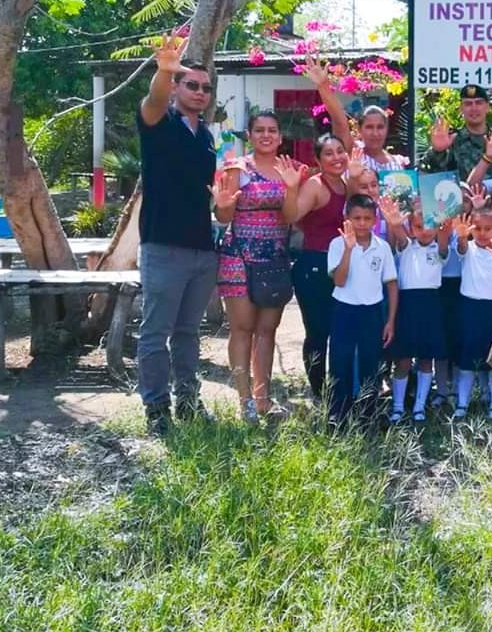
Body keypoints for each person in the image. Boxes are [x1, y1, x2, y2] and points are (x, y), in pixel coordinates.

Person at [135, 32, 220, 436]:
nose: (200, 92)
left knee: (188, 333)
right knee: (156, 332)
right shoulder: (158, 121)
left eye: (206, 87)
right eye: (191, 84)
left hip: (202, 251)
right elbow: (152, 101)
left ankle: (188, 400)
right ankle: (156, 410)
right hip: (162, 246)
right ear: (177, 89)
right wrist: (163, 72)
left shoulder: (206, 138)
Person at [212, 110, 304, 424]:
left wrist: (292, 188)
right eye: (260, 130)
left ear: (280, 137)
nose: (266, 135)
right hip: (239, 255)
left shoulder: (289, 169)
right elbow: (224, 216)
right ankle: (245, 401)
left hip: (275, 258)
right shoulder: (237, 168)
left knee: (267, 330)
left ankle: (263, 399)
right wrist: (222, 207)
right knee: (242, 328)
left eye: (272, 130)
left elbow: (291, 217)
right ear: (249, 135)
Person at [285, 133, 352, 399]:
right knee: (317, 333)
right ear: (318, 159)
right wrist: (291, 188)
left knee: (340, 330)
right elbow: (291, 216)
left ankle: (339, 391)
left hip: (342, 267)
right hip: (313, 265)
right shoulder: (315, 185)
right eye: (329, 153)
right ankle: (320, 394)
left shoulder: (349, 183)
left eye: (340, 151)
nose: (336, 157)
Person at [326, 195, 398, 425]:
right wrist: (348, 250)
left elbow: (392, 284)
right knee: (340, 361)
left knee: (371, 363)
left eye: (367, 218)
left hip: (372, 311)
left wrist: (390, 321)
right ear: (347, 218)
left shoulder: (382, 247)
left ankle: (368, 414)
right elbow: (339, 280)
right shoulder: (337, 244)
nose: (362, 223)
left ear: (375, 220)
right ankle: (338, 414)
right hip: (344, 310)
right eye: (356, 218)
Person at [385, 200, 452, 424]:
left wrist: (445, 221)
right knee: (402, 360)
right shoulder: (406, 246)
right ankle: (397, 406)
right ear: (411, 228)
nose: (424, 231)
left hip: (431, 306)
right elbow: (398, 231)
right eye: (418, 226)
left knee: (426, 359)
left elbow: (444, 238)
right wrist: (394, 222)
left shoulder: (441, 249)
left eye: (429, 225)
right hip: (406, 306)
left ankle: (419, 406)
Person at [452, 208, 492, 419]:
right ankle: (462, 404)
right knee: (467, 361)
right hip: (469, 309)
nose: (482, 233)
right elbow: (460, 248)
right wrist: (461, 236)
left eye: (488, 228)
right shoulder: (467, 247)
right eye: (477, 228)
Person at [302, 52, 408, 172]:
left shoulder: (398, 162)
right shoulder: (353, 153)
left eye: (380, 127)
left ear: (386, 128)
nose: (375, 133)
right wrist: (323, 86)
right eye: (369, 127)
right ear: (359, 129)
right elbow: (339, 121)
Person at [422, 84, 492, 181]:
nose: (474, 108)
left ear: (487, 107)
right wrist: (438, 151)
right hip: (461, 194)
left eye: (479, 103)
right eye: (468, 104)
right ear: (461, 109)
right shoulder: (452, 140)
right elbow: (426, 171)